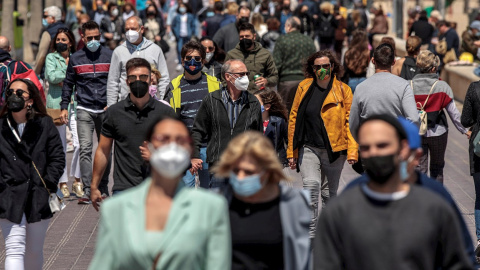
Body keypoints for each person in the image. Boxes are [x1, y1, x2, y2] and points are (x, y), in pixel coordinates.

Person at [313, 114, 475, 270]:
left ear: (404, 149)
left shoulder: (435, 204)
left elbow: (460, 261)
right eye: (366, 147)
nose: (374, 153)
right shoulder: (341, 210)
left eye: (382, 145)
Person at [89, 115, 231, 270]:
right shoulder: (115, 209)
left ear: (190, 150)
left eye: (180, 141)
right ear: (148, 146)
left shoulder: (211, 208)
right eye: (163, 139)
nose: (172, 146)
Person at [212, 131, 311, 270]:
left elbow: (303, 259)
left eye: (249, 172)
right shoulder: (216, 203)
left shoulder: (295, 203)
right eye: (236, 171)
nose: (240, 177)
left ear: (267, 172)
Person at [287, 50, 358, 238]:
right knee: (311, 186)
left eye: (325, 66)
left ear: (332, 67)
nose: (321, 70)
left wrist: (352, 151)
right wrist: (291, 152)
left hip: (335, 150)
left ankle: (327, 235)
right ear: (312, 68)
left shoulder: (343, 90)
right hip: (308, 147)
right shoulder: (303, 87)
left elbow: (350, 122)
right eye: (317, 67)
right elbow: (294, 119)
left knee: (329, 194)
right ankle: (310, 236)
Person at [91, 57, 175, 208]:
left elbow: (178, 151)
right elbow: (103, 150)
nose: (138, 81)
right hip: (123, 191)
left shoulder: (166, 113)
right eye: (133, 77)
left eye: (143, 77)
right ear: (127, 81)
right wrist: (94, 186)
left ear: (151, 79)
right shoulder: (114, 113)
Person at [0, 79, 65, 270]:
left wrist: (48, 184)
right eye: (10, 92)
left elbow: (58, 158)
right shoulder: (1, 126)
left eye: (20, 93)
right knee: (13, 249)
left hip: (38, 196)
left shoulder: (44, 124)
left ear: (30, 100)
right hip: (9, 196)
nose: (14, 96)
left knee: (34, 251)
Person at [60, 21, 113, 203]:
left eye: (96, 37)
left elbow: (115, 82)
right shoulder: (76, 58)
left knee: (106, 150)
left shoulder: (109, 55)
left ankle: (103, 187)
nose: (93, 41)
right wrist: (63, 107)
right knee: (85, 148)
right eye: (89, 38)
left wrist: (113, 103)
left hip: (105, 109)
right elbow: (68, 84)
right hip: (84, 109)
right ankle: (91, 188)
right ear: (82, 37)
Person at [191, 59, 263, 188]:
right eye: (241, 74)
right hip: (219, 165)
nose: (245, 78)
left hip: (244, 166)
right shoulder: (212, 100)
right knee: (219, 205)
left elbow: (258, 136)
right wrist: (195, 156)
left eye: (246, 74)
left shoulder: (253, 102)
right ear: (228, 77)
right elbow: (198, 130)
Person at [163, 41, 221, 188]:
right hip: (184, 149)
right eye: (188, 58)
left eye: (197, 58)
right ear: (182, 61)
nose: (192, 62)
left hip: (209, 147)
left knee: (210, 191)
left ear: (203, 61)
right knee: (184, 192)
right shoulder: (174, 86)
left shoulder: (215, 84)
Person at [349, 43, 419, 139]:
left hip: (369, 142)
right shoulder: (404, 85)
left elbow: (353, 123)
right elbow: (414, 119)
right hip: (394, 143)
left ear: (373, 61)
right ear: (394, 62)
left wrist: (362, 142)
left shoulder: (360, 88)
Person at [45, 28, 83, 198]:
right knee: (59, 146)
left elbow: (82, 78)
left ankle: (77, 180)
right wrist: (69, 74)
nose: (60, 42)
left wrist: (67, 79)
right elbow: (51, 77)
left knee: (79, 144)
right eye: (58, 39)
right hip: (57, 105)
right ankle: (62, 183)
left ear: (70, 42)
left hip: (75, 105)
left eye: (64, 39)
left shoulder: (76, 57)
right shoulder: (51, 57)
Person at [107, 16, 170, 106]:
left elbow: (164, 78)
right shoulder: (118, 52)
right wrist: (111, 108)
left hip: (150, 105)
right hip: (126, 106)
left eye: (133, 29)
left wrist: (165, 103)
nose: (130, 32)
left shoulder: (155, 49)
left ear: (142, 29)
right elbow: (113, 82)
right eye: (127, 29)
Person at [273, 16, 315, 111]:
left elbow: (277, 63)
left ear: (289, 26)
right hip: (305, 82)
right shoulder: (309, 40)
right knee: (303, 112)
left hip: (286, 83)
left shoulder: (282, 40)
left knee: (285, 112)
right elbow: (313, 62)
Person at [224, 23, 278, 93]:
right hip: (238, 96)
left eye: (247, 36)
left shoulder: (265, 54)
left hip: (259, 95)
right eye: (241, 37)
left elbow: (274, 76)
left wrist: (266, 81)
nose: (244, 39)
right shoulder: (231, 55)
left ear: (254, 36)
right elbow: (224, 78)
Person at [462, 80, 480, 259]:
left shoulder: (475, 88)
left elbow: (465, 119)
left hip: (479, 149)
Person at [255, 89, 288, 166]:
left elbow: (288, 141)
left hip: (274, 162)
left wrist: (291, 157)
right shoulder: (249, 121)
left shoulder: (279, 122)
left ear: (267, 107)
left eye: (256, 103)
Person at [34, 6, 68, 77]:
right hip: (66, 71)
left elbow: (42, 55)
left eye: (45, 16)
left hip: (50, 72)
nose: (44, 19)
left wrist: (36, 72)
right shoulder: (68, 29)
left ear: (52, 18)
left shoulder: (48, 33)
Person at [171, 3, 196, 71]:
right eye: (180, 7)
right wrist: (176, 33)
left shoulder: (190, 16)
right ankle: (180, 62)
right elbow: (173, 26)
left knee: (188, 49)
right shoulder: (177, 16)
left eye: (183, 7)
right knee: (179, 49)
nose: (182, 8)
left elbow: (193, 25)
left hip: (187, 36)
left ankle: (187, 61)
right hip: (180, 36)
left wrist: (192, 33)